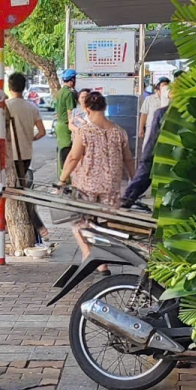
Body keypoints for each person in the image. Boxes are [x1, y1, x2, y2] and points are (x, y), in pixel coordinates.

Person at [58, 90, 133, 264]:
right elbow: (128, 158)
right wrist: (133, 180)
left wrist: (62, 180)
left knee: (79, 222)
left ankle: (89, 255)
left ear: (86, 108)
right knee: (104, 224)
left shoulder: (84, 132)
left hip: (86, 185)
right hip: (111, 185)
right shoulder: (119, 132)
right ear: (105, 108)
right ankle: (101, 260)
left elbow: (73, 157)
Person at [1, 72, 49, 246]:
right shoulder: (32, 107)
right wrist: (29, 139)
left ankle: (37, 225)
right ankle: (36, 227)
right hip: (26, 155)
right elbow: (42, 132)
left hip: (9, 155)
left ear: (9, 87)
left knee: (14, 192)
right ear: (24, 87)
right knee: (21, 190)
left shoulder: (4, 107)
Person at [120, 75, 172, 208]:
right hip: (154, 144)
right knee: (145, 172)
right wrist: (141, 130)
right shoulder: (158, 108)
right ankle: (128, 197)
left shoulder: (166, 112)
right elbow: (145, 117)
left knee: (147, 173)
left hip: (161, 150)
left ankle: (129, 197)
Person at [52, 68, 78, 169]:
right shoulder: (69, 94)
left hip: (59, 124)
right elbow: (70, 112)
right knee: (66, 152)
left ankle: (62, 174)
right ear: (72, 79)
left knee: (61, 151)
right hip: (65, 125)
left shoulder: (60, 92)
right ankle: (65, 175)